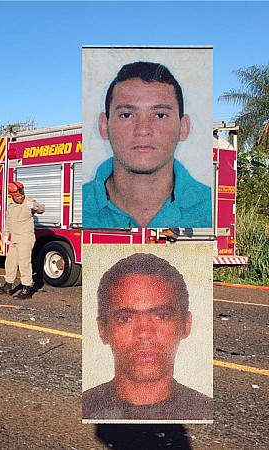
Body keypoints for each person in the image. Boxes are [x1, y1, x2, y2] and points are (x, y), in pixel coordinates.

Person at [82, 253, 212, 421]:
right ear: (103, 330)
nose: (144, 333)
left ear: (186, 325)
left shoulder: (205, 411)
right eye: (125, 318)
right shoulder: (84, 407)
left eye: (162, 316)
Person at [83, 61, 211, 228]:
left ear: (184, 127)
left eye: (160, 115)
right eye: (127, 115)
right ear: (104, 126)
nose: (143, 130)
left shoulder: (212, 207)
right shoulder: (79, 205)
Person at [0, 181, 44, 300]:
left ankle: (26, 289)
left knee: (24, 264)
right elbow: (9, 221)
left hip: (25, 238)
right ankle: (8, 285)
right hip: (15, 239)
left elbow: (42, 209)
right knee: (10, 262)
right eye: (17, 196)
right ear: (12, 195)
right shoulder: (10, 205)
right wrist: (6, 234)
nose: (20, 197)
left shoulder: (29, 202)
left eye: (21, 194)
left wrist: (35, 206)